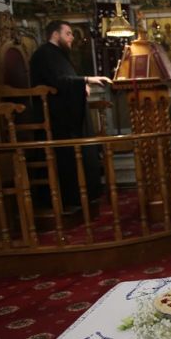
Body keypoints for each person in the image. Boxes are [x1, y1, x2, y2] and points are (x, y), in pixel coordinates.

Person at [29, 20, 111, 209]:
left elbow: (67, 81)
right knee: (70, 157)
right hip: (56, 120)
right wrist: (86, 80)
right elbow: (58, 81)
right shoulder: (44, 54)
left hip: (67, 115)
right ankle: (72, 200)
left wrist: (81, 85)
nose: (72, 37)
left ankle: (87, 197)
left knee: (87, 149)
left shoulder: (59, 55)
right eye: (68, 33)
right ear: (55, 34)